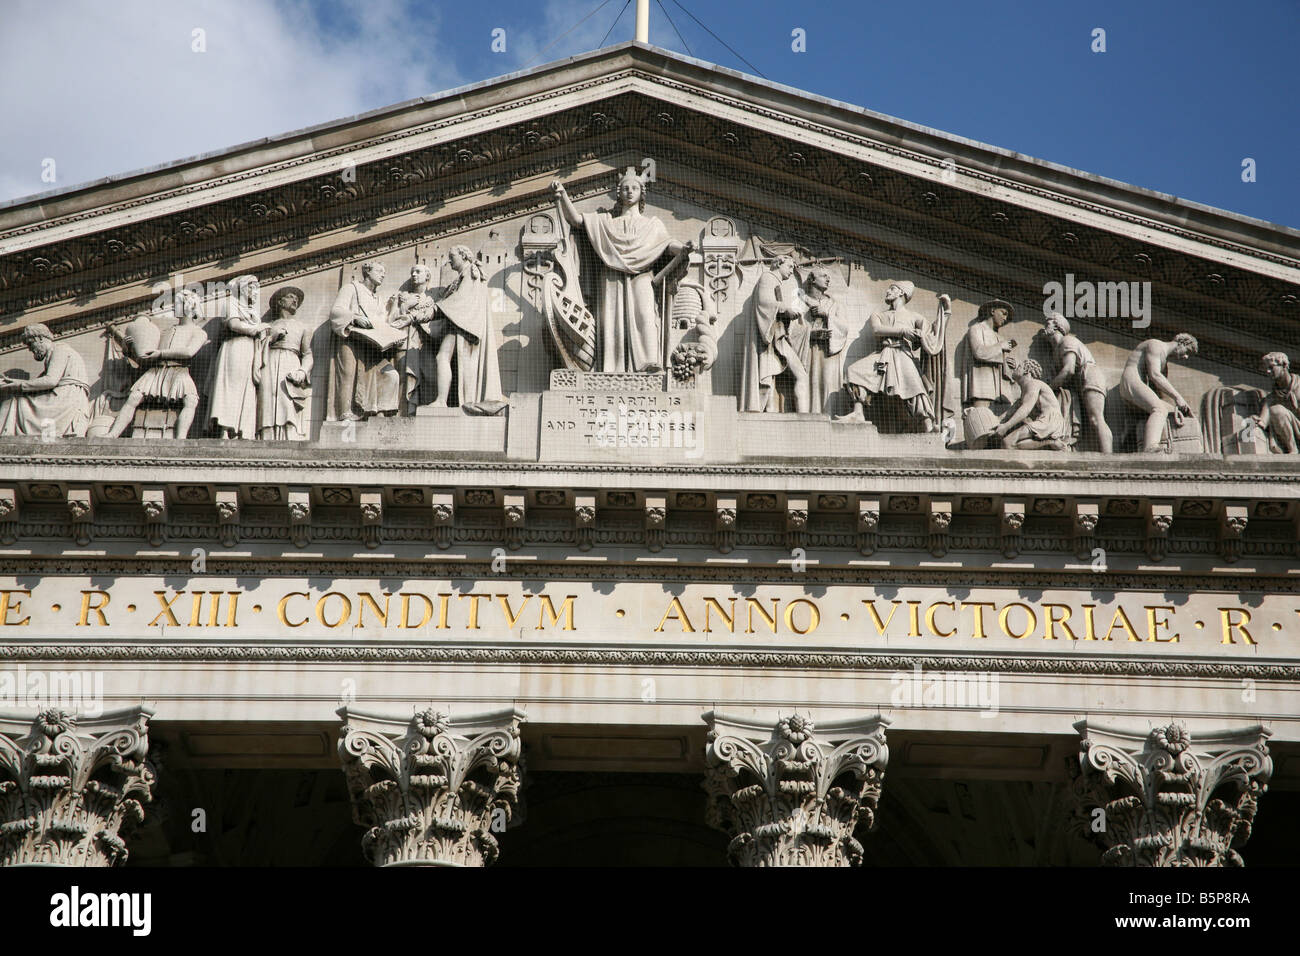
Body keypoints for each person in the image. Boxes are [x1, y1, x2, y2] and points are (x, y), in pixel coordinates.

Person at [551, 168, 691, 372]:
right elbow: (576, 220)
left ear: (642, 193)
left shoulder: (653, 225)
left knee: (645, 315)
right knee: (611, 320)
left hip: (643, 276)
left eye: (634, 188)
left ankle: (648, 363)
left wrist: (684, 249)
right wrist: (563, 195)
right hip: (611, 276)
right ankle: (612, 367)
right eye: (625, 188)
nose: (629, 191)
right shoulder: (606, 222)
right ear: (619, 192)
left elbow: (668, 244)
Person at [839, 280, 942, 430]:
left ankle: (927, 423)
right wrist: (903, 331)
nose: (888, 291)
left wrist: (943, 315)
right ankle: (858, 413)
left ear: (902, 293)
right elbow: (877, 330)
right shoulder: (878, 315)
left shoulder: (915, 317)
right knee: (854, 371)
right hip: (884, 355)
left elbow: (931, 338)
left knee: (915, 387)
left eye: (892, 289)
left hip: (903, 355)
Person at [106, 290, 207, 439]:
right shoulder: (167, 331)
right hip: (156, 371)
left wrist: (160, 353)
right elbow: (144, 357)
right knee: (133, 398)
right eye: (177, 303)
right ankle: (113, 434)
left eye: (180, 303)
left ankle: (181, 439)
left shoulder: (198, 332)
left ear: (192, 306)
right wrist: (129, 349)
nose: (176, 306)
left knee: (190, 400)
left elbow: (189, 352)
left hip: (179, 370)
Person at [429, 246, 505, 414]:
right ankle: (443, 400)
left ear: (463, 256)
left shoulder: (471, 272)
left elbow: (461, 299)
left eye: (452, 256)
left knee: (442, 356)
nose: (449, 261)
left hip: (461, 325)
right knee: (445, 358)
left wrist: (433, 311)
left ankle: (441, 400)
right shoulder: (466, 274)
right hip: (460, 323)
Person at [327, 261, 400, 422]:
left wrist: (394, 308)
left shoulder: (378, 299)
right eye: (379, 270)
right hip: (351, 338)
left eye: (384, 272)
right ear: (367, 271)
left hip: (373, 345)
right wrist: (354, 318)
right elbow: (336, 311)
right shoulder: (351, 288)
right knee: (348, 373)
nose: (383, 274)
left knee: (392, 375)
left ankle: (381, 412)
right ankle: (345, 412)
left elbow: (382, 323)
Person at [740, 255, 811, 413]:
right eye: (790, 266)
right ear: (779, 263)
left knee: (789, 374)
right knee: (785, 374)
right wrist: (786, 309)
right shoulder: (768, 277)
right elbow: (764, 302)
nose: (792, 271)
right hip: (770, 338)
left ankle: (799, 414)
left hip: (777, 336)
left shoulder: (775, 282)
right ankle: (777, 411)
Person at [0, 324, 90, 437]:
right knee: (16, 395)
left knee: (14, 398)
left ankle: (4, 435)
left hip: (66, 398)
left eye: (30, 343)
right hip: (64, 396)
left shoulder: (60, 350)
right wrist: (14, 382)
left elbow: (50, 381)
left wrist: (18, 385)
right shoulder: (53, 354)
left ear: (40, 338)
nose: (29, 349)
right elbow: (41, 382)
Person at [1041, 313, 1112, 453]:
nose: (1044, 327)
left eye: (1047, 323)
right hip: (1080, 383)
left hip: (1090, 375)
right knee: (1093, 421)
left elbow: (1068, 370)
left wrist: (1047, 389)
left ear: (1057, 326)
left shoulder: (1067, 341)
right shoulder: (1055, 352)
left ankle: (1109, 457)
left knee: (1096, 418)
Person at [1118, 333, 1197, 452]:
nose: (1186, 356)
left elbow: (1157, 390)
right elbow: (1155, 375)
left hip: (1139, 386)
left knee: (1167, 410)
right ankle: (1150, 447)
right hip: (1131, 381)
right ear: (1182, 343)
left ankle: (1130, 444)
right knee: (1160, 410)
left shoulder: (1164, 364)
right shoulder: (1155, 345)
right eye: (1187, 351)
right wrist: (1178, 397)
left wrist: (1179, 409)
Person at [209, 274, 265, 439]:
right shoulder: (230, 303)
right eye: (251, 287)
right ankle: (225, 428)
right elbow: (233, 324)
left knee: (247, 388)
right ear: (241, 288)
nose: (255, 292)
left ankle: (242, 428)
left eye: (257, 289)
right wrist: (255, 329)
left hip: (250, 350)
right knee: (230, 388)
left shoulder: (253, 311)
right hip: (234, 347)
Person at [255, 286, 313, 440]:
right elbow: (255, 350)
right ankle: (266, 435)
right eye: (290, 296)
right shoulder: (268, 326)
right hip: (269, 361)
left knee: (287, 401)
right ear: (280, 302)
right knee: (266, 399)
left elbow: (307, 354)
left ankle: (289, 435)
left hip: (291, 362)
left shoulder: (303, 327)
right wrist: (271, 337)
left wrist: (302, 371)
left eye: (297, 299)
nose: (295, 300)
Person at [388, 264, 441, 412]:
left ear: (427, 276)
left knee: (430, 377)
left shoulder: (435, 297)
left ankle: (426, 412)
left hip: (427, 344)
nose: (414, 275)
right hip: (405, 344)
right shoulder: (403, 297)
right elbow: (391, 322)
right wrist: (403, 307)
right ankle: (403, 413)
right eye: (412, 272)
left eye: (418, 272)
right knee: (403, 379)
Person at [803, 265, 849, 415]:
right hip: (808, 351)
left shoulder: (834, 304)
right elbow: (791, 329)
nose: (828, 279)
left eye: (828, 276)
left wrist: (827, 315)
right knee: (810, 383)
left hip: (829, 353)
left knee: (827, 383)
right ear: (812, 279)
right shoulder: (801, 301)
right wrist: (810, 334)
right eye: (823, 276)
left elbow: (844, 328)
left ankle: (828, 415)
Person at [994, 359, 1070, 450]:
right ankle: (1051, 444)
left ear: (1026, 371)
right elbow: (1007, 415)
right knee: (1007, 443)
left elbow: (1026, 409)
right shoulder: (1025, 394)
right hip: (1046, 421)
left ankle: (1052, 442)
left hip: (1049, 421)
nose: (1015, 370)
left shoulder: (1033, 384)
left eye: (1019, 367)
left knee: (1008, 442)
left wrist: (1006, 427)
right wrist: (992, 425)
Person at [1253, 351, 1300, 453]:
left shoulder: (1298, 385)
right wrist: (1256, 422)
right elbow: (1262, 421)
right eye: (1266, 369)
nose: (1268, 371)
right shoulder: (1274, 395)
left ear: (1284, 366)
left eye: (1271, 367)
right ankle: (1292, 450)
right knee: (1276, 410)